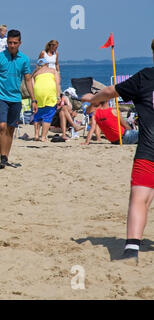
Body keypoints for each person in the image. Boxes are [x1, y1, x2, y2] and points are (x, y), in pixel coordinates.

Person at [80, 39, 154, 265]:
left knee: (140, 198)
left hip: (148, 149)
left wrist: (93, 99)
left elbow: (110, 91)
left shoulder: (146, 77)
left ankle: (131, 249)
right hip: (147, 150)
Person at [0, 29, 36, 168]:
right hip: (0, 97)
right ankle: (2, 157)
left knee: (11, 129)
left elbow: (28, 80)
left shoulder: (24, 59)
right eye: (10, 42)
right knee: (1, 126)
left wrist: (33, 99)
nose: (12, 45)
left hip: (16, 98)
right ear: (7, 42)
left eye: (15, 43)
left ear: (20, 43)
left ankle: (6, 156)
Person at [31, 58, 61, 142]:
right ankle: (43, 137)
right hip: (49, 93)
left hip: (38, 93)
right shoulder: (52, 70)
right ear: (47, 64)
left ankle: (36, 135)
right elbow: (57, 83)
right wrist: (58, 96)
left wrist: (34, 97)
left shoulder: (35, 73)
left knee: (37, 114)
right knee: (48, 115)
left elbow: (32, 85)